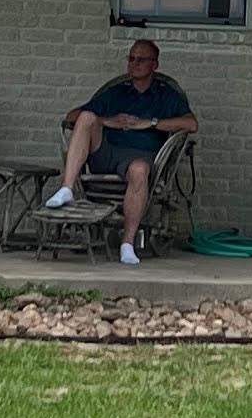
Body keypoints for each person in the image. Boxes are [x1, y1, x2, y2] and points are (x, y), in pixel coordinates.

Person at [46, 38, 197, 263]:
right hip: (106, 152)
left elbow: (191, 124)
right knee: (88, 117)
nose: (134, 64)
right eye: (131, 58)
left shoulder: (166, 95)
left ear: (154, 64)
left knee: (138, 170)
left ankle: (127, 244)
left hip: (140, 156)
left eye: (141, 59)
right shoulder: (116, 92)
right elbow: (71, 117)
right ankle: (67, 188)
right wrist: (109, 121)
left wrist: (151, 123)